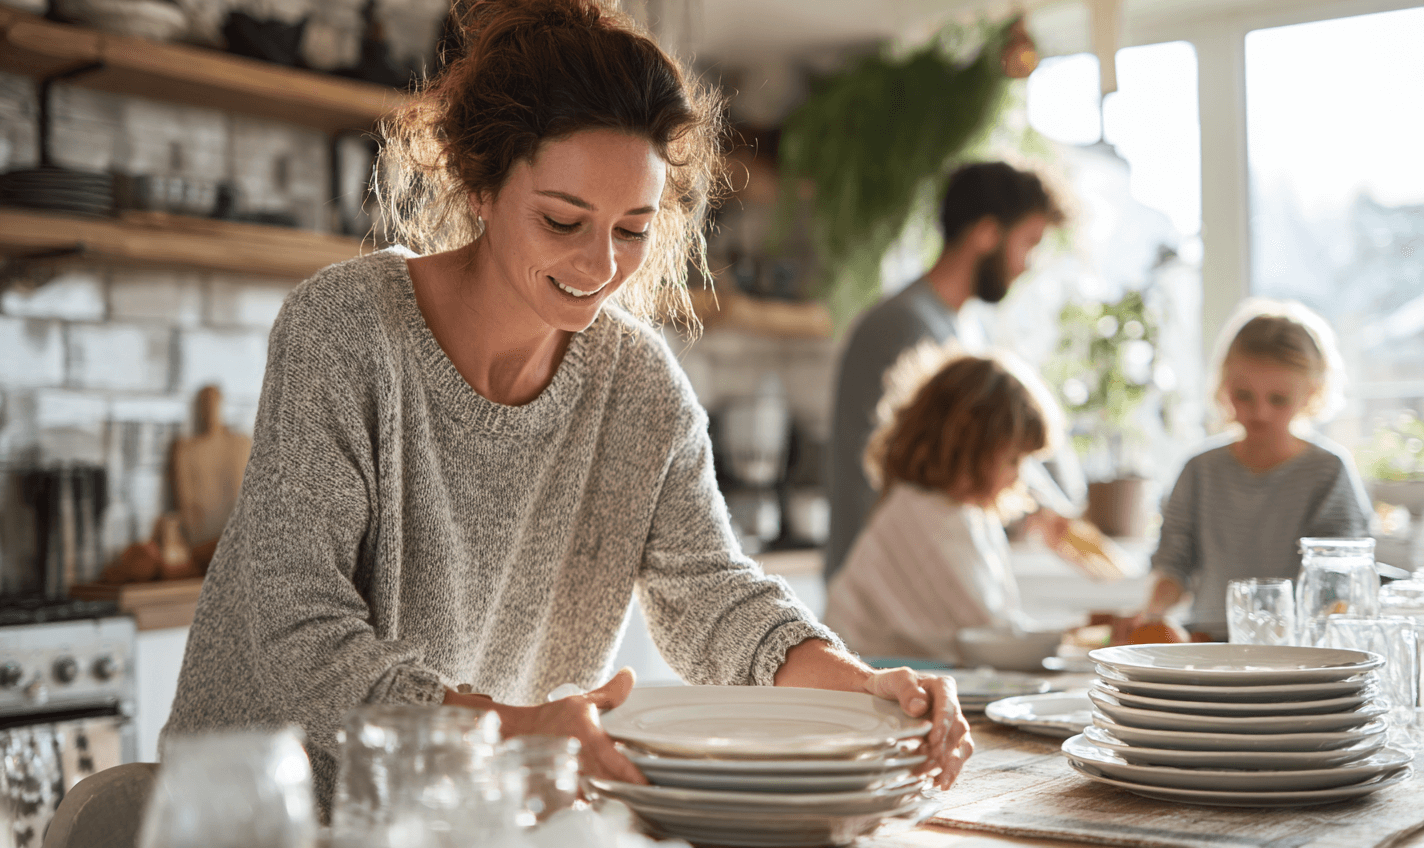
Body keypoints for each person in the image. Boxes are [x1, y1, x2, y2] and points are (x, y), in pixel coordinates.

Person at [162, 0, 971, 812]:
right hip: (256, 809)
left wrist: (863, 690)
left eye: (632, 229)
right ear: (481, 186)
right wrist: (517, 729)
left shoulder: (639, 387)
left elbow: (713, 595)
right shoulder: (345, 331)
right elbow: (296, 628)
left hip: (454, 813)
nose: (600, 264)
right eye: (562, 220)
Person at [827, 162, 1067, 583]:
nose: (1028, 263)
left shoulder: (962, 328)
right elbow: (898, 472)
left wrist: (1044, 506)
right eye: (1028, 242)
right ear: (986, 233)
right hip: (884, 589)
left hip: (915, 581)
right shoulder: (903, 327)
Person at [1130, 299, 1373, 637]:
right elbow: (1173, 562)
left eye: (1278, 399)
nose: (1259, 412)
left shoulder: (1327, 471)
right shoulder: (1199, 470)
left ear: (1312, 393)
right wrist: (1152, 612)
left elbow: (1337, 581)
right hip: (1210, 642)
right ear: (1223, 385)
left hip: (1296, 650)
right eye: (1243, 395)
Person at [823, 346, 1063, 661]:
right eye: (1014, 459)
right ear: (972, 445)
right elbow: (993, 640)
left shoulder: (960, 514)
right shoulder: (927, 517)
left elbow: (1001, 624)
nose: (1018, 476)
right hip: (864, 690)